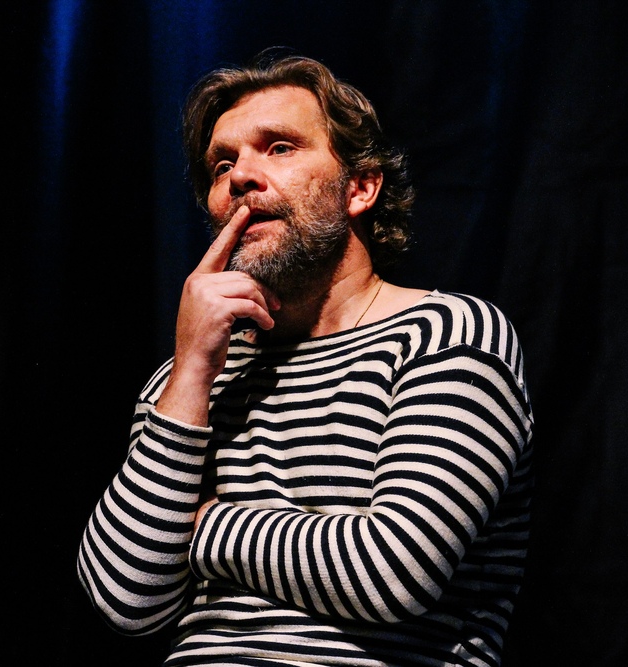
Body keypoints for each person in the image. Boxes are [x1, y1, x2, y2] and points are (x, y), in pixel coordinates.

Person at [77, 48, 534, 667]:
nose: (241, 176)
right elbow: (126, 599)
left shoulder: (446, 333)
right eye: (221, 165)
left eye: (279, 148)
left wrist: (203, 526)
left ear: (360, 188)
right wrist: (191, 371)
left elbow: (393, 571)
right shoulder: (188, 378)